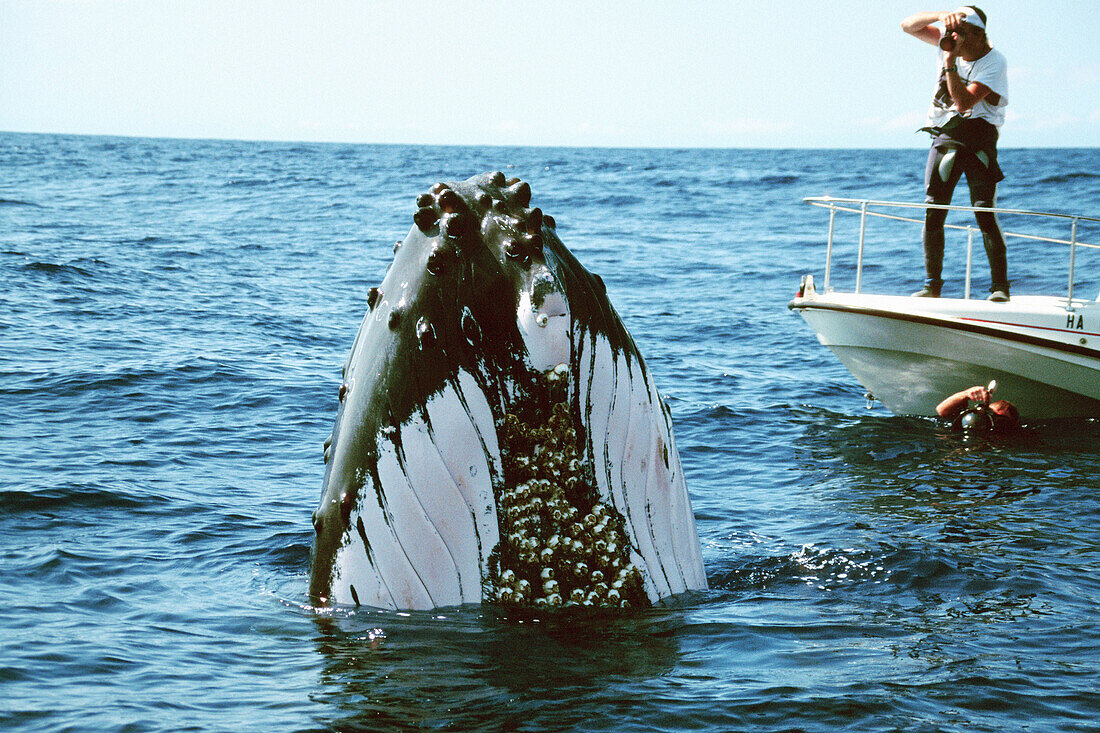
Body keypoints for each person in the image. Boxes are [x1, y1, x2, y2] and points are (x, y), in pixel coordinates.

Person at [902, 6, 1011, 302]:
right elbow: (908, 25)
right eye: (951, 34)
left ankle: (1000, 288)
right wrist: (942, 15)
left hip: (979, 136)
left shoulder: (994, 62)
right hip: (945, 134)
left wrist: (949, 63)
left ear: (977, 35)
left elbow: (964, 103)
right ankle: (931, 286)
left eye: (959, 34)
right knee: (933, 211)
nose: (952, 40)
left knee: (983, 212)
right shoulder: (947, 40)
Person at [936, 384, 1019, 432]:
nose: (994, 422)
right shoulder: (966, 419)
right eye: (993, 415)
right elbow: (941, 410)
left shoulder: (1006, 435)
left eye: (1002, 422)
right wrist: (966, 394)